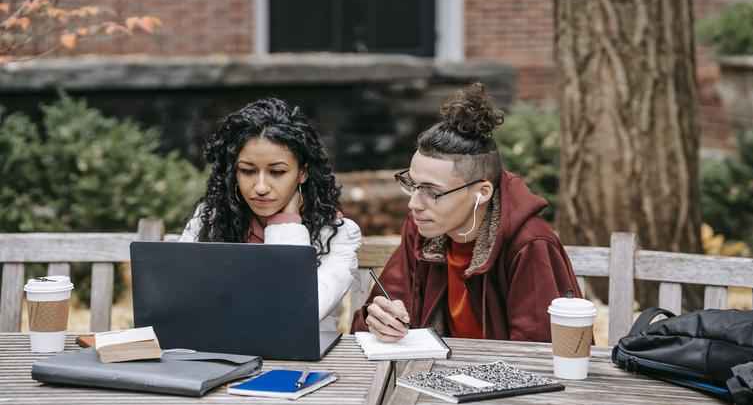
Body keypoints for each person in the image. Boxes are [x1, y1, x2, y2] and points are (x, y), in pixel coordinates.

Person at [351, 83, 581, 342]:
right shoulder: (423, 228)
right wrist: (378, 321)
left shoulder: (530, 243)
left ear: (482, 192)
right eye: (412, 185)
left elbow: (542, 352)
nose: (414, 203)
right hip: (436, 373)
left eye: (432, 191)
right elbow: (371, 321)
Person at [179, 98, 361, 331]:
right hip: (220, 356)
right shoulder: (211, 219)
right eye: (247, 171)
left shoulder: (339, 234)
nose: (261, 186)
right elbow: (185, 300)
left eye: (277, 172)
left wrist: (285, 224)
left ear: (302, 173)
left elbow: (295, 313)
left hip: (300, 361)